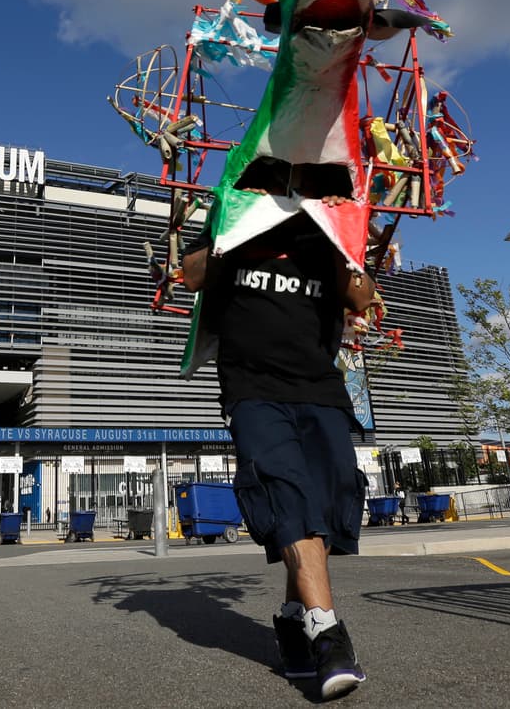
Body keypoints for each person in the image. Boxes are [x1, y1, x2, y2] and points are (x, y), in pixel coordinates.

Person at [182, 176, 376, 701]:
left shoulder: (326, 228)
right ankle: (328, 633)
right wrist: (237, 222)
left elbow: (362, 295)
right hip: (252, 387)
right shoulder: (234, 217)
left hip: (321, 388)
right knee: (282, 489)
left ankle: (293, 622)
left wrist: (341, 228)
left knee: (333, 501)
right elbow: (192, 275)